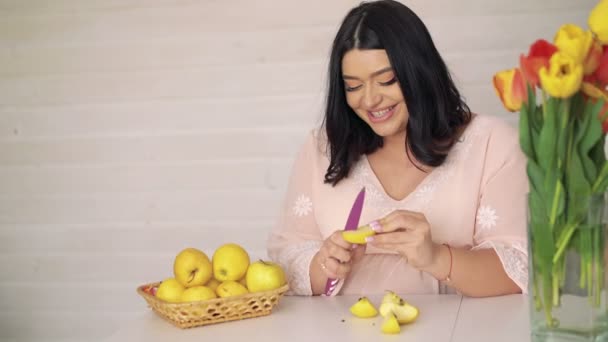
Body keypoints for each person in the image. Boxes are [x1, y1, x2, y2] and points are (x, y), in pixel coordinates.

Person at [267, 0, 527, 297]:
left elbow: (520, 271)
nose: (369, 100)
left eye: (386, 80)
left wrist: (436, 257)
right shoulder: (323, 148)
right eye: (353, 86)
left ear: (420, 71)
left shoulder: (492, 144)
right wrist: (323, 264)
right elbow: (283, 260)